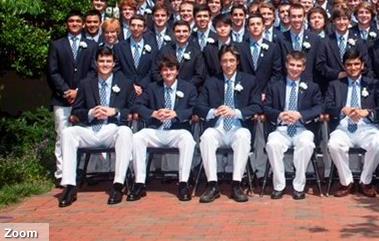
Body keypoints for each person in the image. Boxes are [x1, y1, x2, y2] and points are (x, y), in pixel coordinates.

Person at [58, 48, 135, 207]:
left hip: (112, 130)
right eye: (101, 61)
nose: (105, 64)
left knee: (126, 131)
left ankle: (118, 185)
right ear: (96, 63)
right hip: (90, 130)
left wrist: (115, 111)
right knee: (67, 132)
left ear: (114, 63)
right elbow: (76, 112)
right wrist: (91, 113)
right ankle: (69, 186)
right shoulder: (85, 83)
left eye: (108, 61)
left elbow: (133, 110)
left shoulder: (125, 84)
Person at [196, 45, 261, 203]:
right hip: (218, 128)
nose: (228, 64)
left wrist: (236, 112)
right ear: (220, 62)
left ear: (237, 61)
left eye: (231, 60)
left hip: (237, 127)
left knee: (243, 136)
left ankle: (236, 184)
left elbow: (257, 106)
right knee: (206, 137)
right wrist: (213, 111)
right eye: (224, 61)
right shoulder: (212, 81)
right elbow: (199, 106)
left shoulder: (249, 80)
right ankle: (212, 185)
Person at [128, 56, 198, 201]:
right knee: (137, 137)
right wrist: (153, 113)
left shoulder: (188, 88)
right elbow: (137, 105)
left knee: (187, 139)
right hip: (157, 129)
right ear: (160, 72)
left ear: (177, 71)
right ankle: (139, 183)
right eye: (165, 70)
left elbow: (195, 109)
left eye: (171, 69)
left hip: (177, 130)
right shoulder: (152, 87)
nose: (168, 73)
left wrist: (176, 114)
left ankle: (183, 183)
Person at [325, 49, 379, 197]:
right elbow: (326, 105)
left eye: (356, 64)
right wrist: (342, 110)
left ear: (362, 65)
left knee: (378, 145)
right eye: (349, 64)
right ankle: (346, 182)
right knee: (334, 144)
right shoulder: (335, 85)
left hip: (367, 127)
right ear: (344, 66)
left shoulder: (373, 84)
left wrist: (368, 112)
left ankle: (365, 181)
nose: (353, 68)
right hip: (344, 127)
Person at [47, 11, 98, 183]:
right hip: (62, 99)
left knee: (84, 135)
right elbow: (52, 71)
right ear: (66, 24)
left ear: (83, 24)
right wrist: (66, 90)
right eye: (71, 21)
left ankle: (82, 171)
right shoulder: (57, 45)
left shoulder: (91, 45)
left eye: (77, 21)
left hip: (84, 99)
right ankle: (61, 173)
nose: (74, 23)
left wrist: (78, 91)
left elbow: (93, 71)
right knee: (62, 135)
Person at [263, 52, 323, 199]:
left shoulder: (312, 87)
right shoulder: (275, 86)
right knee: (272, 144)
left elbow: (319, 107)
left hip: (302, 128)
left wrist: (301, 114)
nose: (294, 69)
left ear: (303, 68)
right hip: (281, 129)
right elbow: (266, 107)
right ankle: (279, 185)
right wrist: (279, 114)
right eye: (292, 65)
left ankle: (298, 186)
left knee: (306, 143)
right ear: (286, 65)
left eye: (298, 66)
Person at [113, 15, 158, 96]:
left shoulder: (153, 47)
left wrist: (142, 85)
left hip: (145, 91)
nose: (136, 28)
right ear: (129, 26)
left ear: (144, 28)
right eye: (133, 25)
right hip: (125, 90)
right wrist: (131, 85)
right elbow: (117, 69)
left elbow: (153, 70)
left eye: (139, 26)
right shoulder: (119, 47)